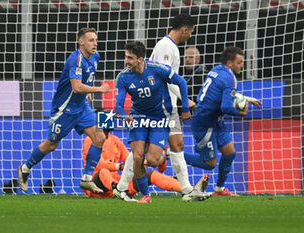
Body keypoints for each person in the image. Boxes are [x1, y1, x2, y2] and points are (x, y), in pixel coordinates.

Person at [113, 14, 211, 203]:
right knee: (163, 150)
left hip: (164, 107)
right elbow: (164, 80)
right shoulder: (167, 47)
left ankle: (123, 186)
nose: (190, 35)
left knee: (161, 148)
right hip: (163, 108)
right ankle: (186, 189)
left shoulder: (168, 46)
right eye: (191, 31)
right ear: (184, 29)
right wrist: (186, 101)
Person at [16, 28, 110, 194]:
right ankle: (24, 168)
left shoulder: (96, 57)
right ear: (81, 42)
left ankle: (87, 179)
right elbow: (76, 86)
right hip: (64, 110)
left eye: (96, 40)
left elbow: (87, 78)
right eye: (90, 40)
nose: (95, 44)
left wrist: (88, 91)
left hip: (81, 107)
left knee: (100, 136)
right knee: (51, 145)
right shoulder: (76, 59)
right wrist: (98, 89)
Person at [181, 46, 262, 196]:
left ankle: (219, 189)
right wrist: (241, 112)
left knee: (230, 153)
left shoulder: (217, 69)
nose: (242, 65)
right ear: (230, 63)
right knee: (209, 164)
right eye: (239, 62)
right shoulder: (230, 78)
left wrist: (248, 99)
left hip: (215, 120)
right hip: (205, 122)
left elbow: (223, 93)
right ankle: (172, 154)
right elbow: (225, 106)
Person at [82, 129, 198, 200]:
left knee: (152, 175)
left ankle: (188, 190)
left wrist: (143, 162)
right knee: (104, 172)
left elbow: (129, 158)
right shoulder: (90, 140)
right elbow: (98, 164)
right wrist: (119, 166)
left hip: (116, 182)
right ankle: (118, 189)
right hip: (97, 185)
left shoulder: (115, 140)